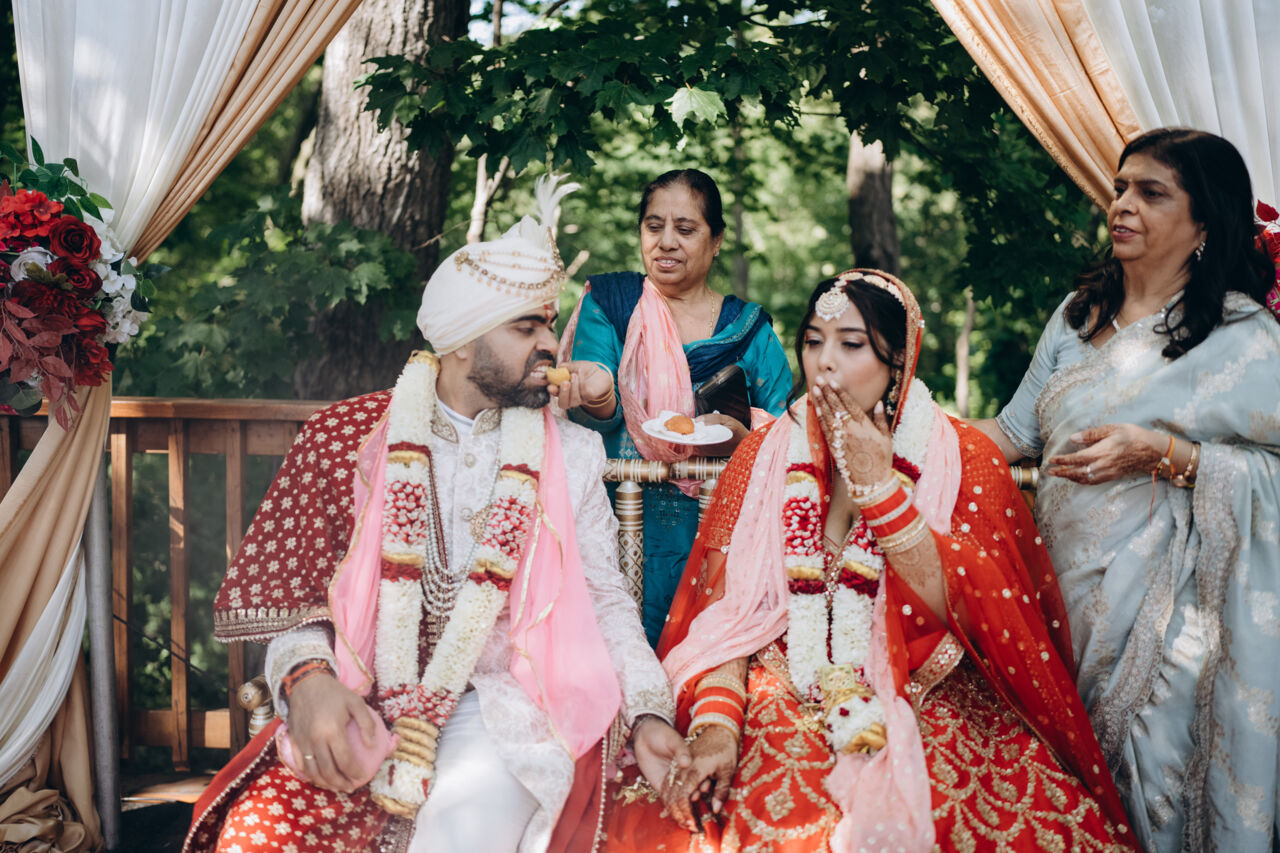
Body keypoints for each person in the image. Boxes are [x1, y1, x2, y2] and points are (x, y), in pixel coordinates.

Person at [183, 176, 690, 853]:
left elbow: (604, 600)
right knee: (260, 832)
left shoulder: (569, 453)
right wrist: (307, 681)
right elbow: (298, 605)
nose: (551, 344)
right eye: (527, 327)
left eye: (549, 323)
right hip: (363, 697)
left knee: (456, 834)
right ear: (460, 343)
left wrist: (649, 710)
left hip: (508, 703)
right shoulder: (349, 439)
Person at [601, 270, 1137, 852]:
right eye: (813, 341)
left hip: (928, 686)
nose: (825, 363)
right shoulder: (760, 456)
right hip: (783, 684)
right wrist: (717, 726)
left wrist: (881, 490)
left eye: (851, 344)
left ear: (898, 358)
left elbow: (978, 615)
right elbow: (724, 619)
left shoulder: (965, 459)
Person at [971, 128, 1280, 851]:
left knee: (1152, 786)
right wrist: (893, 427)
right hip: (1059, 602)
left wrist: (1164, 453)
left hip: (1174, 620)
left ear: (1204, 221)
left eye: (1151, 192)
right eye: (1119, 188)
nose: (1122, 205)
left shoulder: (1243, 336)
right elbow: (1011, 433)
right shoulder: (1077, 316)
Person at [554, 169, 792, 645]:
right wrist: (599, 395)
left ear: (716, 240)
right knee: (619, 654)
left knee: (704, 660)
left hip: (719, 535)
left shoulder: (749, 330)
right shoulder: (612, 305)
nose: (666, 242)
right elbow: (595, 394)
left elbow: (787, 436)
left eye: (685, 229)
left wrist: (742, 436)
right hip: (617, 523)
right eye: (653, 226)